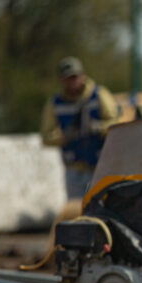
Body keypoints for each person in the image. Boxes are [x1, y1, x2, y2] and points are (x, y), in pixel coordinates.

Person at [40, 57, 120, 199]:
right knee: (77, 212)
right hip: (74, 170)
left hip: (100, 167)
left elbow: (117, 124)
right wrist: (65, 136)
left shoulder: (99, 95)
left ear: (82, 76)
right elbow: (46, 138)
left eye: (75, 77)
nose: (73, 82)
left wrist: (98, 128)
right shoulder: (55, 103)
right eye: (68, 78)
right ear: (61, 80)